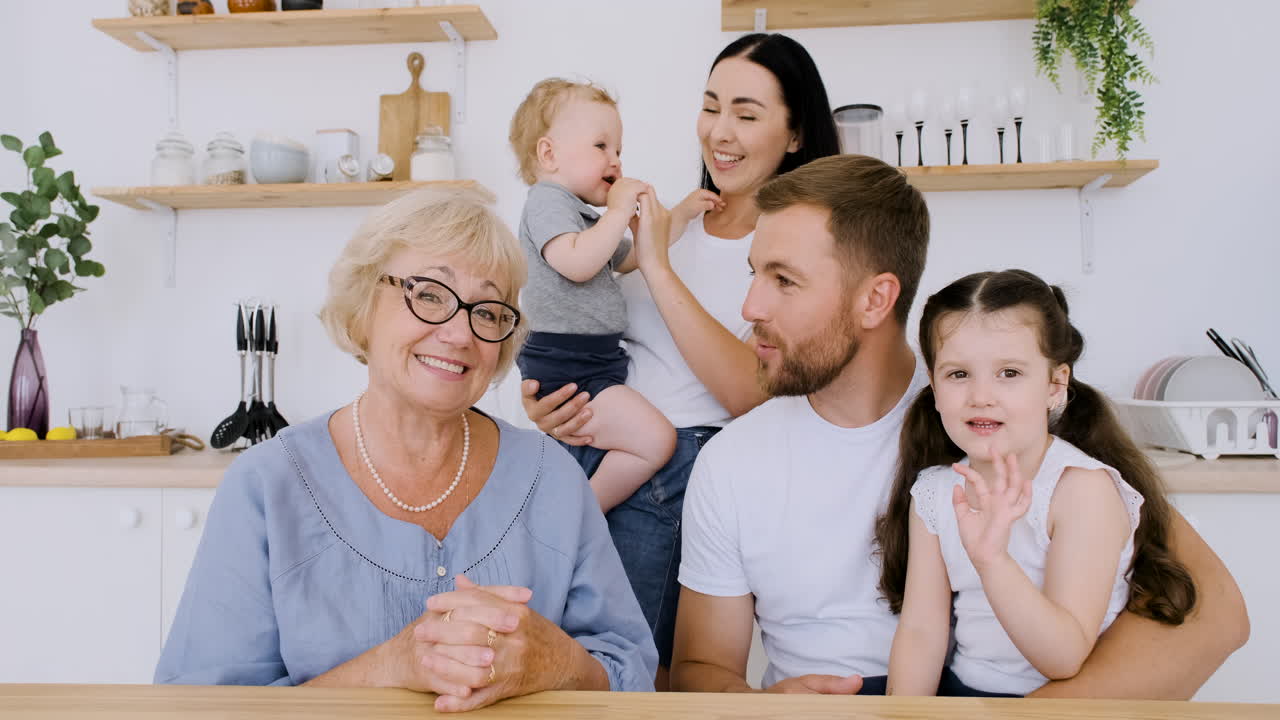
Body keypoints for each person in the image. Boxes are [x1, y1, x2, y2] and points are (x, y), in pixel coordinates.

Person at [670, 154, 1249, 699]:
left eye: (784, 280)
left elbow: (1215, 612)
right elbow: (700, 671)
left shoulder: (996, 415)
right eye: (754, 274)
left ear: (876, 300)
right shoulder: (733, 462)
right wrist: (759, 702)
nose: (749, 308)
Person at [155, 185, 658, 712]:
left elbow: (633, 674)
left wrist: (555, 662)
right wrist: (392, 667)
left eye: (487, 311)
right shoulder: (265, 485)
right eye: (430, 294)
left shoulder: (550, 476)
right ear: (364, 303)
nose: (461, 334)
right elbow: (200, 706)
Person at [519, 33, 840, 686]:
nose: (720, 131)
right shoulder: (669, 221)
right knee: (554, 659)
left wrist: (660, 264)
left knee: (628, 675)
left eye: (747, 114)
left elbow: (754, 392)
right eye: (711, 105)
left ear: (797, 132)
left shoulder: (800, 245)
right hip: (599, 443)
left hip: (682, 470)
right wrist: (545, 400)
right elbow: (583, 312)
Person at [877, 269, 1196, 697]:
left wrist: (993, 561)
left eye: (1009, 373)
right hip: (965, 695)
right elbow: (921, 632)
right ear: (934, 388)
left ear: (1055, 385)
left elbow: (1064, 657)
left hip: (1060, 704)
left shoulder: (1080, 490)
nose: (981, 395)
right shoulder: (935, 493)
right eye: (958, 374)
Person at [509, 78, 676, 512]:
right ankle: (582, 513)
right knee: (657, 440)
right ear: (549, 154)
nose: (616, 161)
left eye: (618, 150)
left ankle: (578, 507)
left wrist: (684, 217)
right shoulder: (547, 202)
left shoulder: (583, 217)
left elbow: (629, 257)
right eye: (602, 146)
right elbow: (578, 263)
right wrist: (619, 212)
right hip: (566, 361)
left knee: (649, 440)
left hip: (588, 360)